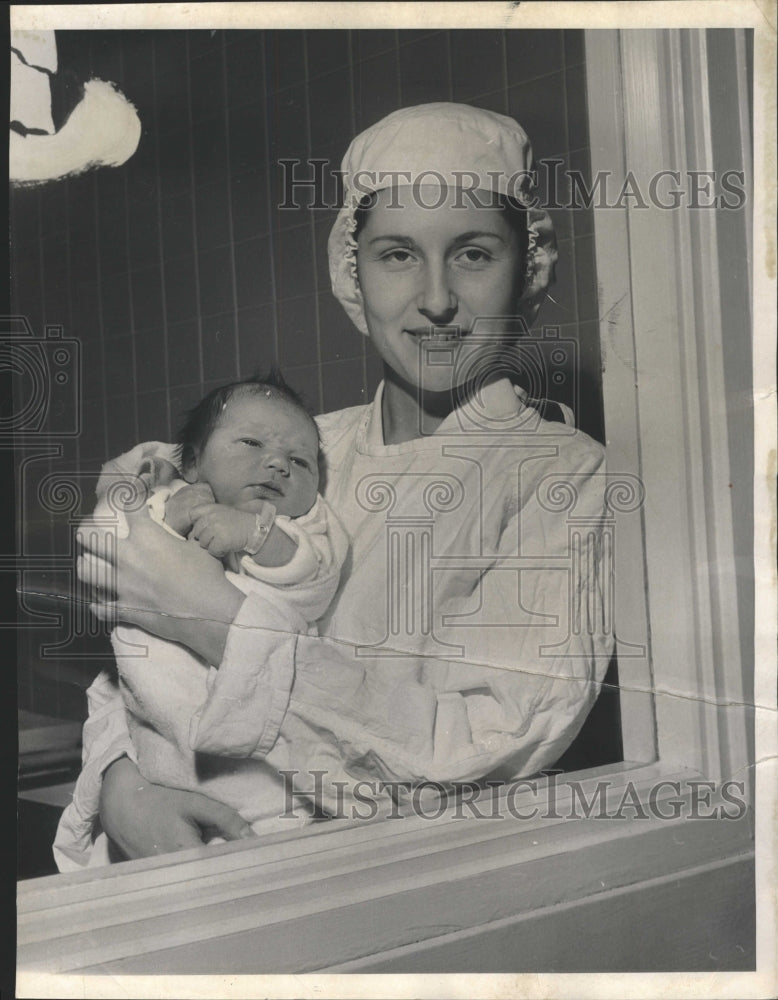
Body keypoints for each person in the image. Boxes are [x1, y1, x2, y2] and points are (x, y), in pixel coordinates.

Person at [61, 102, 614, 870]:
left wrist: (217, 618)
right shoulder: (300, 449)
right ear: (351, 271)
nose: (436, 299)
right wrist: (125, 789)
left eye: (474, 254)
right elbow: (135, 661)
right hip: (186, 870)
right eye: (396, 255)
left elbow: (477, 760)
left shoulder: (560, 475)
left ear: (529, 268)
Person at [56, 372, 348, 865]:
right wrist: (167, 521)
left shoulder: (303, 524)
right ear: (193, 462)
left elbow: (315, 580)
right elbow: (110, 552)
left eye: (300, 461)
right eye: (251, 443)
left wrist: (256, 536)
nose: (278, 463)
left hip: (263, 765)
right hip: (160, 740)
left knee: (269, 844)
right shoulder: (168, 502)